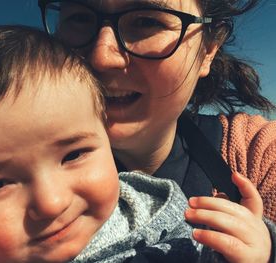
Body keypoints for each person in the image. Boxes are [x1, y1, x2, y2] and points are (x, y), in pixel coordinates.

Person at [0, 25, 275, 263]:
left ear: (209, 49)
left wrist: (262, 248)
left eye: (146, 21)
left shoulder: (159, 211)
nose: (51, 203)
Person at [38, 0, 276, 222]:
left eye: (146, 22)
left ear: (208, 51)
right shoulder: (9, 167)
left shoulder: (257, 155)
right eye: (79, 18)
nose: (102, 58)